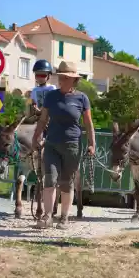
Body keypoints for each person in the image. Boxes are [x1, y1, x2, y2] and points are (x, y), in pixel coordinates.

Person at [32, 61, 95, 229]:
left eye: (65, 77)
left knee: (67, 182)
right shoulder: (51, 96)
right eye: (60, 76)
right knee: (50, 179)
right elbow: (43, 119)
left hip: (72, 145)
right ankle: (47, 217)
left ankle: (64, 217)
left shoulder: (82, 98)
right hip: (51, 143)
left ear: (74, 80)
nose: (61, 80)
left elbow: (88, 124)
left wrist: (92, 144)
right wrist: (35, 137)